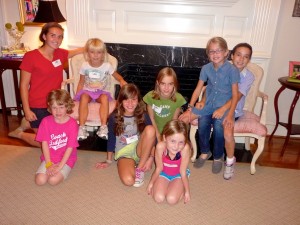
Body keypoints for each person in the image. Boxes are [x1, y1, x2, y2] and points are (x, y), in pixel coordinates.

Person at [8, 22, 83, 147]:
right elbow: (23, 86)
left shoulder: (60, 53)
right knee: (50, 143)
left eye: (60, 37)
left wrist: (94, 47)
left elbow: (75, 52)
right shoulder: (31, 56)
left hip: (54, 104)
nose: (56, 40)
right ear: (44, 36)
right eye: (52, 35)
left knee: (60, 136)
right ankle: (19, 134)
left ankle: (27, 123)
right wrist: (26, 110)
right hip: (37, 104)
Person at [179, 36, 240, 174]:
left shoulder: (232, 70)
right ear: (208, 54)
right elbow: (198, 88)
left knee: (219, 127)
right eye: (211, 52)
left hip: (225, 107)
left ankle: (218, 157)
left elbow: (236, 95)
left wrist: (229, 115)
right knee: (201, 122)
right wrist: (191, 106)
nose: (215, 54)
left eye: (218, 51)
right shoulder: (206, 68)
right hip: (208, 104)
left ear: (226, 52)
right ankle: (205, 152)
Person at [95, 83, 156, 187]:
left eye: (134, 99)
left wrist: (151, 158)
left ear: (138, 100)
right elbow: (111, 140)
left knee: (150, 129)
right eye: (126, 99)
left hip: (140, 150)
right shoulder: (114, 117)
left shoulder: (143, 115)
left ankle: (139, 169)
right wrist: (109, 160)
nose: (130, 103)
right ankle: (133, 166)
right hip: (124, 153)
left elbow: (152, 139)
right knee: (129, 181)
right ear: (121, 101)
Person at [74, 38, 127, 140]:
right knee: (84, 97)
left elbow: (117, 76)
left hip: (100, 92)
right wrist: (77, 97)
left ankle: (103, 127)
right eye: (92, 52)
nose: (95, 55)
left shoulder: (107, 66)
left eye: (99, 52)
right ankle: (82, 127)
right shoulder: (85, 66)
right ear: (88, 53)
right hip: (87, 91)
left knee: (104, 98)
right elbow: (81, 82)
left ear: (103, 54)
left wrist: (121, 81)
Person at [35, 89, 79, 186]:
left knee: (53, 181)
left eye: (61, 107)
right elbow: (44, 144)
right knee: (40, 181)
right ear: (50, 107)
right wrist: (49, 164)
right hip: (50, 157)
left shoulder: (72, 124)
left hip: (66, 158)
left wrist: (59, 167)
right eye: (54, 108)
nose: (58, 111)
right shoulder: (45, 122)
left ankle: (63, 169)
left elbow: (70, 147)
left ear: (67, 106)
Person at [147, 120, 191, 205]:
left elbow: (182, 172)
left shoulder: (185, 148)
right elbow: (159, 168)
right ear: (164, 138)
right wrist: (151, 183)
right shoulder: (160, 147)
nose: (176, 146)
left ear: (185, 141)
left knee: (171, 199)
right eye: (173, 141)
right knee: (158, 198)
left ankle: (179, 189)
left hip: (178, 174)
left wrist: (187, 191)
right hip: (164, 173)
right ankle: (166, 186)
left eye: (181, 142)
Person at [143, 67, 186, 141]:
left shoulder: (178, 99)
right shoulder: (150, 97)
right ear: (157, 83)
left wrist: (167, 137)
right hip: (153, 132)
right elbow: (151, 119)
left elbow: (173, 121)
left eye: (170, 84)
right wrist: (159, 137)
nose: (166, 88)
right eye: (163, 84)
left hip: (169, 132)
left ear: (174, 85)